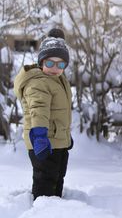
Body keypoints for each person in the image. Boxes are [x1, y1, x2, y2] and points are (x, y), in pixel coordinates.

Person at [14, 28, 73, 200]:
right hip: (43, 141)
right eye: (50, 63)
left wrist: (64, 134)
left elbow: (59, 112)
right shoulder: (38, 83)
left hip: (57, 140)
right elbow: (38, 109)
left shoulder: (57, 79)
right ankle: (42, 212)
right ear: (41, 62)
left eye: (60, 64)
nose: (55, 68)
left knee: (57, 178)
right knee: (45, 182)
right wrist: (39, 134)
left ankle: (57, 209)